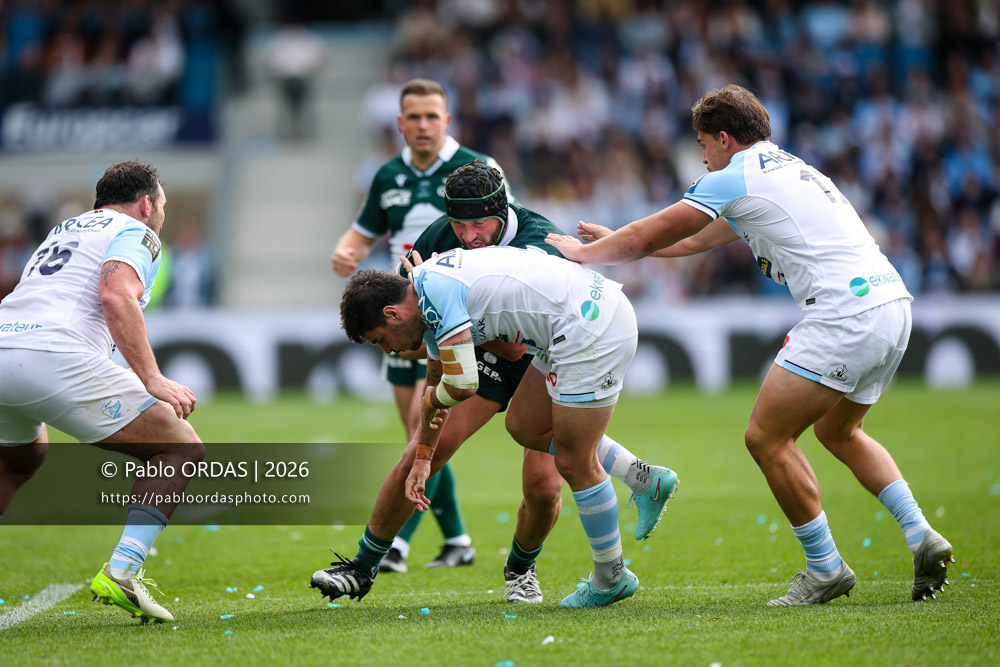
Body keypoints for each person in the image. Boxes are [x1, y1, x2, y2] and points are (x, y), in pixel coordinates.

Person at [546, 84, 954, 605]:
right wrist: (614, 241)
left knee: (766, 437)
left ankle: (825, 567)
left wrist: (586, 255)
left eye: (702, 145)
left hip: (843, 313)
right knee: (841, 430)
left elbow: (651, 234)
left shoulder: (735, 173)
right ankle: (921, 534)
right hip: (892, 303)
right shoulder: (789, 168)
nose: (701, 157)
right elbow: (693, 239)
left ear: (723, 139)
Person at [311, 162, 677, 604]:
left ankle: (567, 573)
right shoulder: (427, 266)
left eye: (478, 223)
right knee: (507, 432)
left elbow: (488, 363)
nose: (467, 235)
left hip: (567, 338)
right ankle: (363, 567)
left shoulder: (539, 238)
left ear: (504, 213)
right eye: (458, 224)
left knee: (552, 479)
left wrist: (434, 397)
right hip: (512, 343)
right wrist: (425, 452)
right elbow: (434, 361)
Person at [0, 161, 204, 623]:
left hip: (3, 341)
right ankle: (123, 570)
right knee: (180, 446)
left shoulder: (63, 228)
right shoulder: (138, 230)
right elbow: (116, 295)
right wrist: (152, 378)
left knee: (17, 461)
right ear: (148, 202)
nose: (162, 216)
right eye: (164, 206)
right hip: (51, 352)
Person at [331, 79, 501, 571]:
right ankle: (458, 541)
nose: (423, 125)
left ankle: (397, 544)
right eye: (414, 117)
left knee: (421, 429)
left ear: (447, 121)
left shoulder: (477, 169)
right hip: (402, 318)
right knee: (419, 433)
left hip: (449, 315)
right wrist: (346, 250)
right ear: (400, 123)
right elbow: (363, 232)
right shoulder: (387, 175)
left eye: (432, 116)